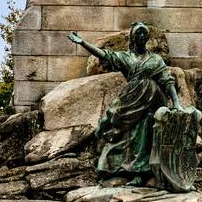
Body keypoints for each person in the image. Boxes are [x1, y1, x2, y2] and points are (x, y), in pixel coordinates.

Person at [68, 23, 184, 184]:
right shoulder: (125, 57)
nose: (142, 37)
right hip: (130, 98)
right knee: (122, 131)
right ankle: (112, 167)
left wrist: (177, 103)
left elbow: (167, 81)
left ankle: (141, 174)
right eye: (139, 34)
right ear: (133, 38)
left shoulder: (156, 59)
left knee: (144, 134)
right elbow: (105, 55)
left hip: (152, 98)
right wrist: (83, 43)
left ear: (147, 38)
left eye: (144, 34)